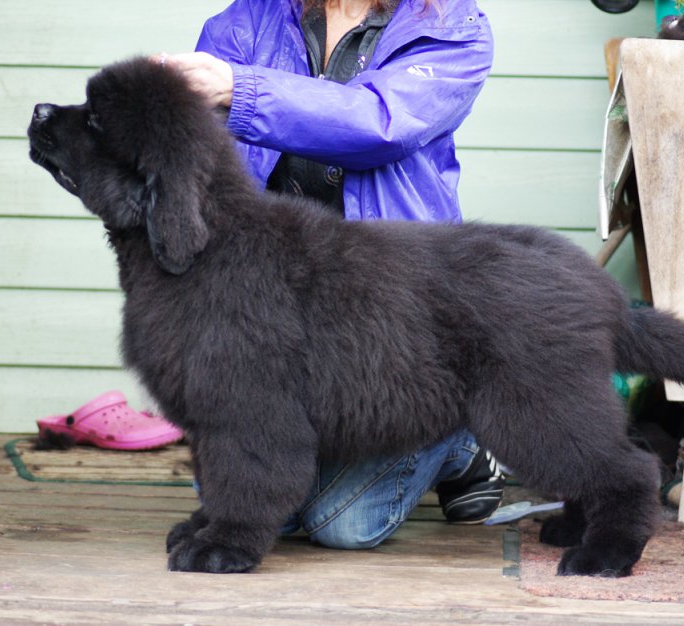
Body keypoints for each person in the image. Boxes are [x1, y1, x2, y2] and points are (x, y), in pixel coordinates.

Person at [161, 0, 503, 549]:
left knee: (342, 523)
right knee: (260, 510)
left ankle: (458, 433)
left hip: (392, 313)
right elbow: (199, 155)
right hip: (280, 308)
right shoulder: (243, 22)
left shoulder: (450, 25)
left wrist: (238, 88)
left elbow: (378, 124)